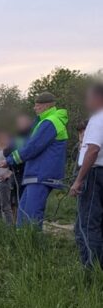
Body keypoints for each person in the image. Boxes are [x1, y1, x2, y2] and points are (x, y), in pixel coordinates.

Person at [3, 92, 69, 228]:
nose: (35, 108)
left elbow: (33, 147)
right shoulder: (43, 122)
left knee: (32, 214)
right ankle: (22, 243)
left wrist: (10, 160)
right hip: (34, 174)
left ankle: (33, 245)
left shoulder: (50, 122)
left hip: (42, 174)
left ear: (47, 105)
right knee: (23, 213)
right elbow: (29, 144)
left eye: (37, 105)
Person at [70, 82, 103, 268]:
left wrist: (79, 180)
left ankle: (92, 271)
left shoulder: (98, 119)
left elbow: (92, 150)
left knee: (88, 224)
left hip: (94, 174)